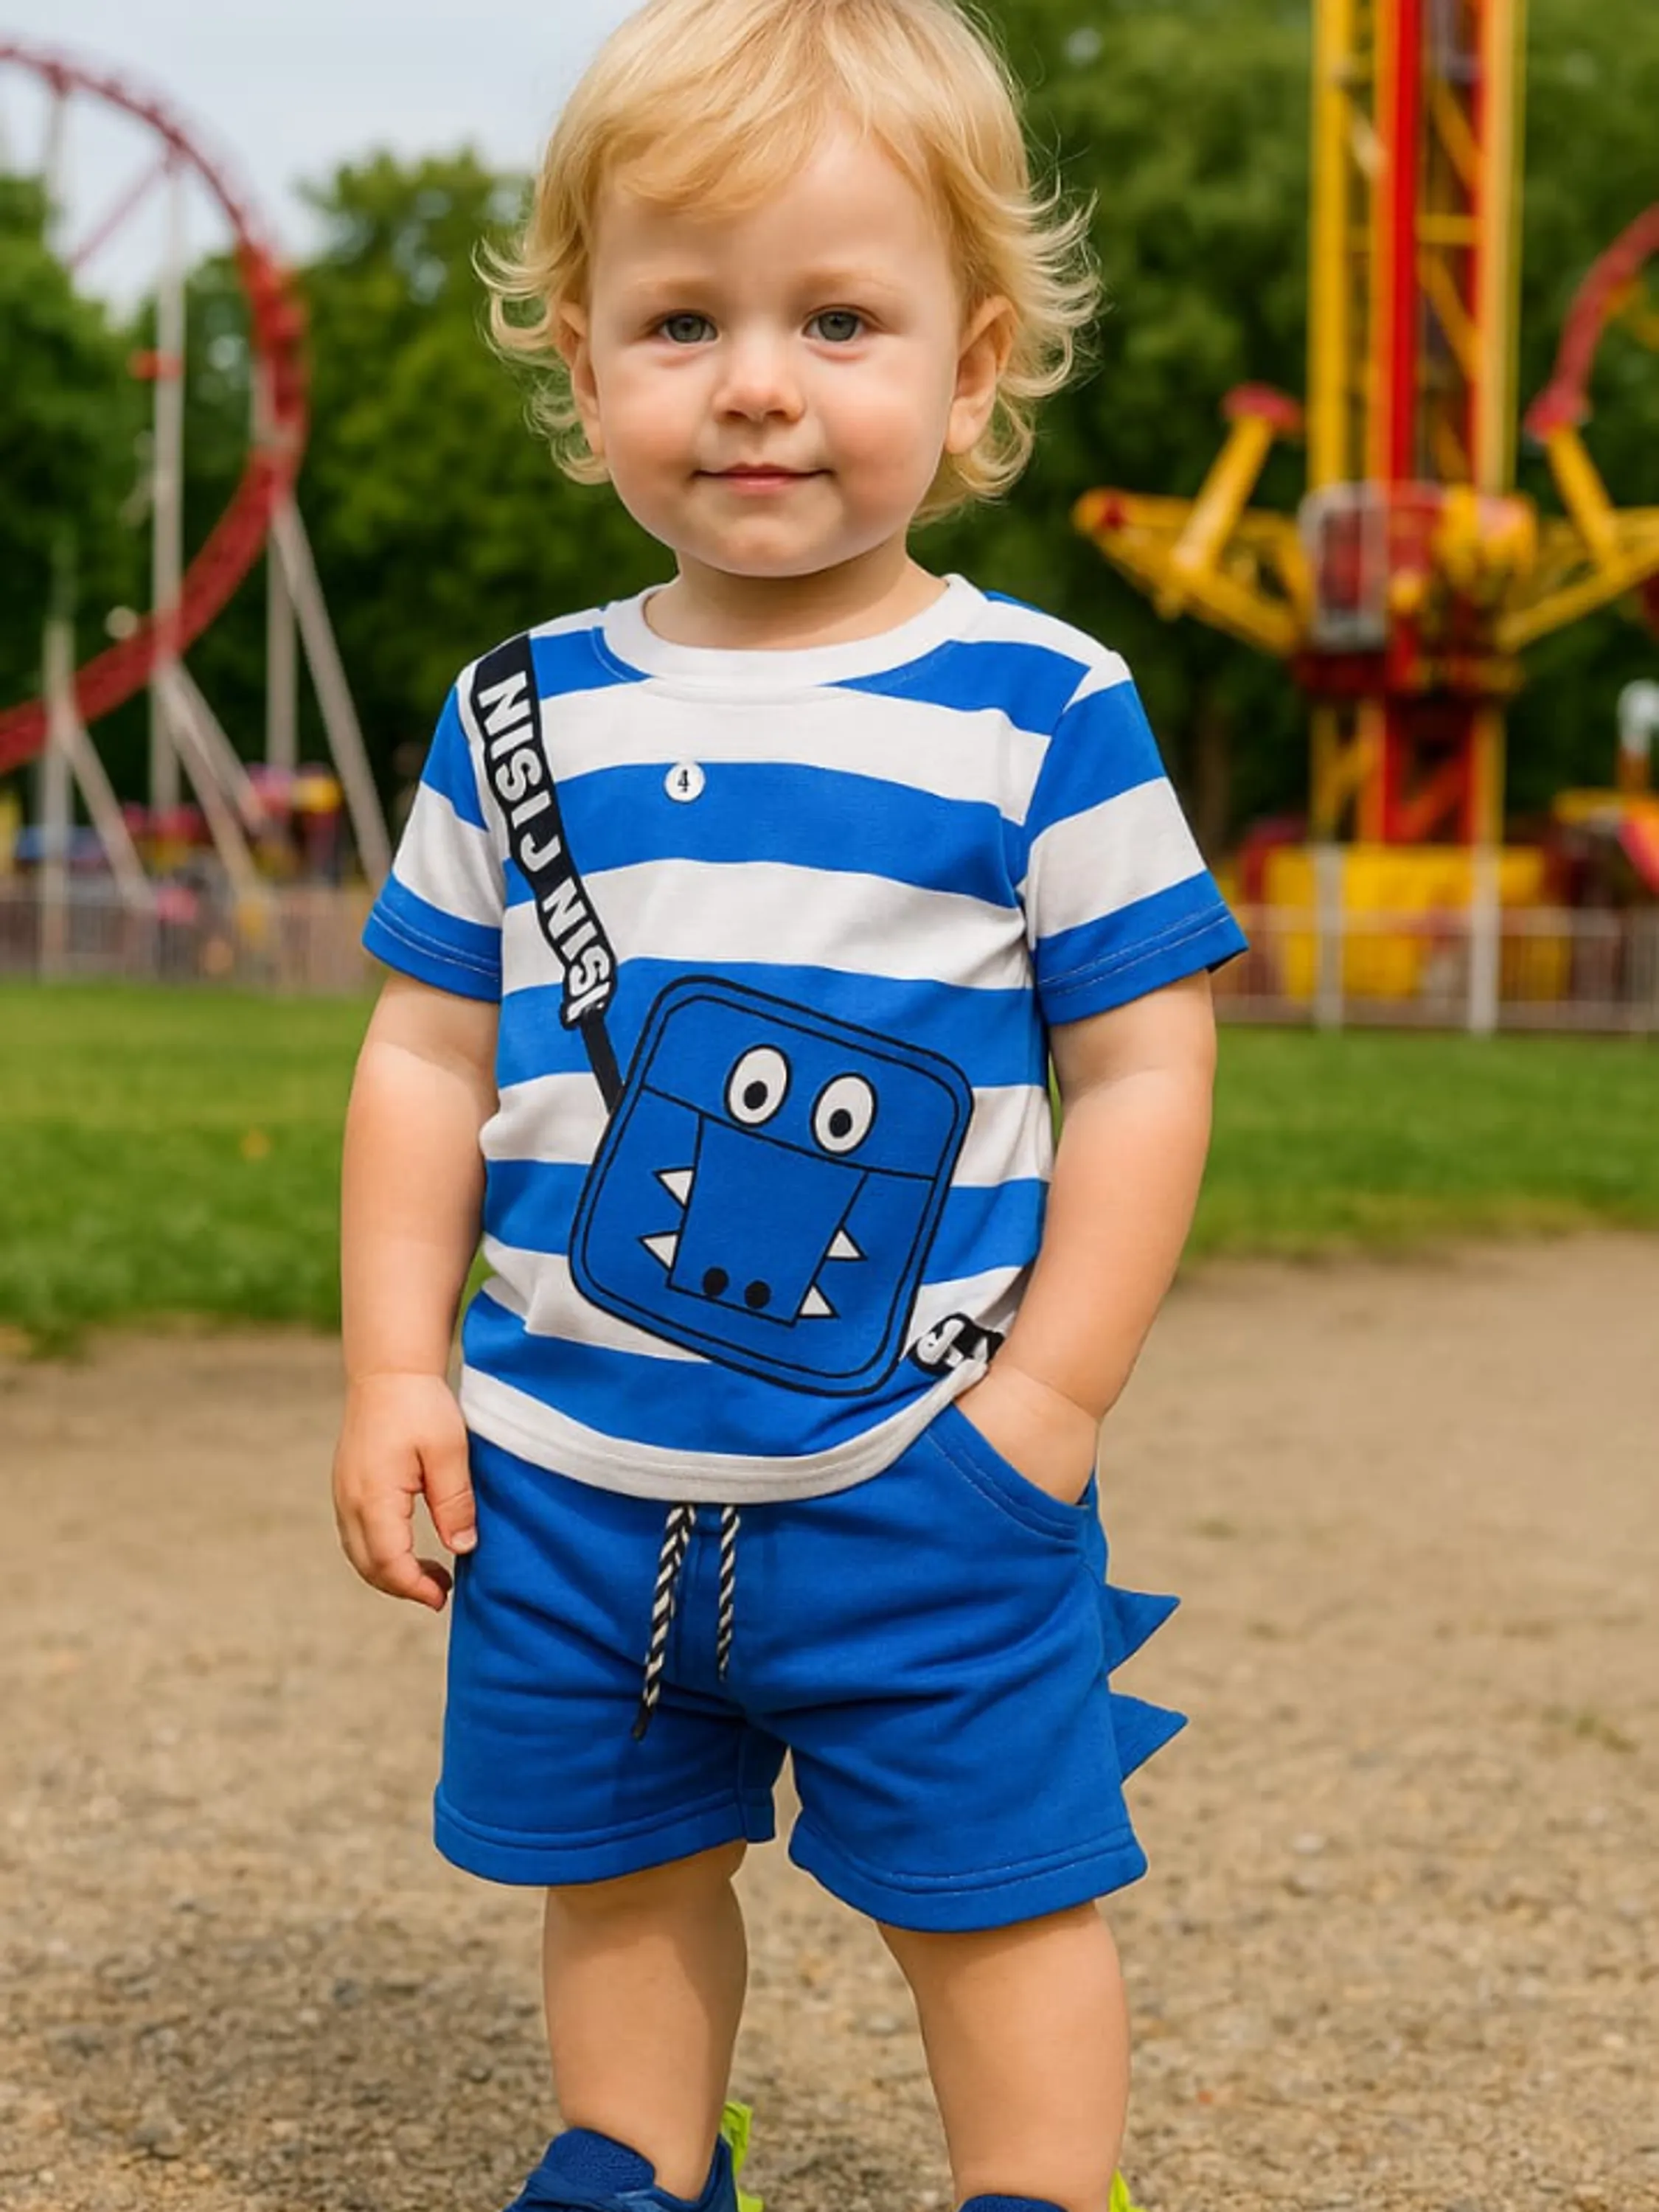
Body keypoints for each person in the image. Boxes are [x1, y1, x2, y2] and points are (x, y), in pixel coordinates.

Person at [331, 4, 1246, 2209]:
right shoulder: (513, 711)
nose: (756, 382)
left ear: (974, 360)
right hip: (567, 1469)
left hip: (917, 1466)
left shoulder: (1041, 706)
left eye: (838, 319)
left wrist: (1047, 1407)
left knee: (995, 1887)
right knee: (619, 1861)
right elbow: (425, 1050)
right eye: (682, 320)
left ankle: (1041, 2187)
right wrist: (391, 1369)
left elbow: (1144, 1062)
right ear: (581, 359)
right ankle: (638, 2156)